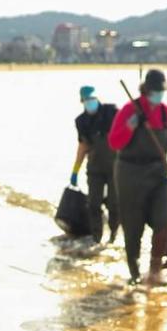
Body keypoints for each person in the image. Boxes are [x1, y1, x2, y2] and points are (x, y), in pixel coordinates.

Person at [107, 68, 167, 286]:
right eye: (156, 91)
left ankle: (154, 272)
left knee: (163, 225)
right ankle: (133, 273)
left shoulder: (165, 113)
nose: (159, 96)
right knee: (133, 227)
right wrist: (132, 124)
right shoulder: (129, 110)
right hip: (130, 174)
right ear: (146, 90)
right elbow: (114, 142)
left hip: (159, 174)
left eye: (162, 91)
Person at [69, 84, 120, 245]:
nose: (90, 102)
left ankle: (113, 235)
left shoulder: (112, 112)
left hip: (115, 168)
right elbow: (83, 146)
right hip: (95, 168)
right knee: (93, 204)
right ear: (82, 101)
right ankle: (96, 238)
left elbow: (126, 131)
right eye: (87, 100)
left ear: (97, 98)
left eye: (93, 98)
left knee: (114, 204)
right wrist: (75, 171)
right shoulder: (81, 121)